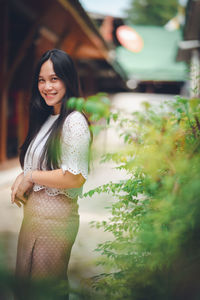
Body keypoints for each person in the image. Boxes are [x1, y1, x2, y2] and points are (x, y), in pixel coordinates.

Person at [11, 49, 91, 296]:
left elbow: (74, 176)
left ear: (68, 79)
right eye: (41, 80)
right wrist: (21, 175)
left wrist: (30, 176)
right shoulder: (48, 118)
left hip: (55, 223)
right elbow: (35, 165)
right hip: (34, 220)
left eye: (54, 78)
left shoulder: (74, 121)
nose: (47, 86)